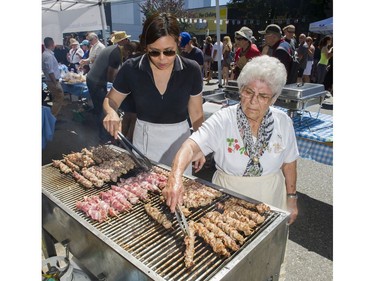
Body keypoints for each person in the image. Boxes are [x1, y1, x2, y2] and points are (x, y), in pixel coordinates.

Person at [163, 55, 299, 228]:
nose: (253, 101)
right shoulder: (223, 119)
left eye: (263, 96)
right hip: (229, 199)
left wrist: (292, 198)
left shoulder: (283, 121)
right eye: (248, 92)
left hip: (272, 196)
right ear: (240, 90)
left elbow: (289, 162)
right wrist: (175, 177)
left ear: (273, 99)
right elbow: (190, 146)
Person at [102, 12, 205, 174]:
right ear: (146, 47)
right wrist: (111, 113)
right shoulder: (132, 68)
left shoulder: (191, 70)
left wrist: (200, 145)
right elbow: (111, 100)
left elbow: (197, 113)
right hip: (145, 140)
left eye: (169, 52)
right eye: (154, 52)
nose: (162, 59)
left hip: (180, 140)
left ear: (178, 42)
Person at [86, 31, 131, 141]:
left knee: (99, 107)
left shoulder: (113, 49)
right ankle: (104, 136)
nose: (128, 41)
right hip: (96, 81)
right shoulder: (116, 53)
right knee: (104, 109)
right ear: (122, 41)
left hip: (93, 79)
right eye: (126, 39)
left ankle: (102, 132)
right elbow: (111, 77)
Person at [42, 37, 65, 118]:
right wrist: (56, 84)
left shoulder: (47, 54)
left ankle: (54, 115)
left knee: (57, 99)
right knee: (59, 99)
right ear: (52, 44)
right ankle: (52, 117)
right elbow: (50, 71)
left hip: (51, 80)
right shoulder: (48, 55)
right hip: (53, 81)